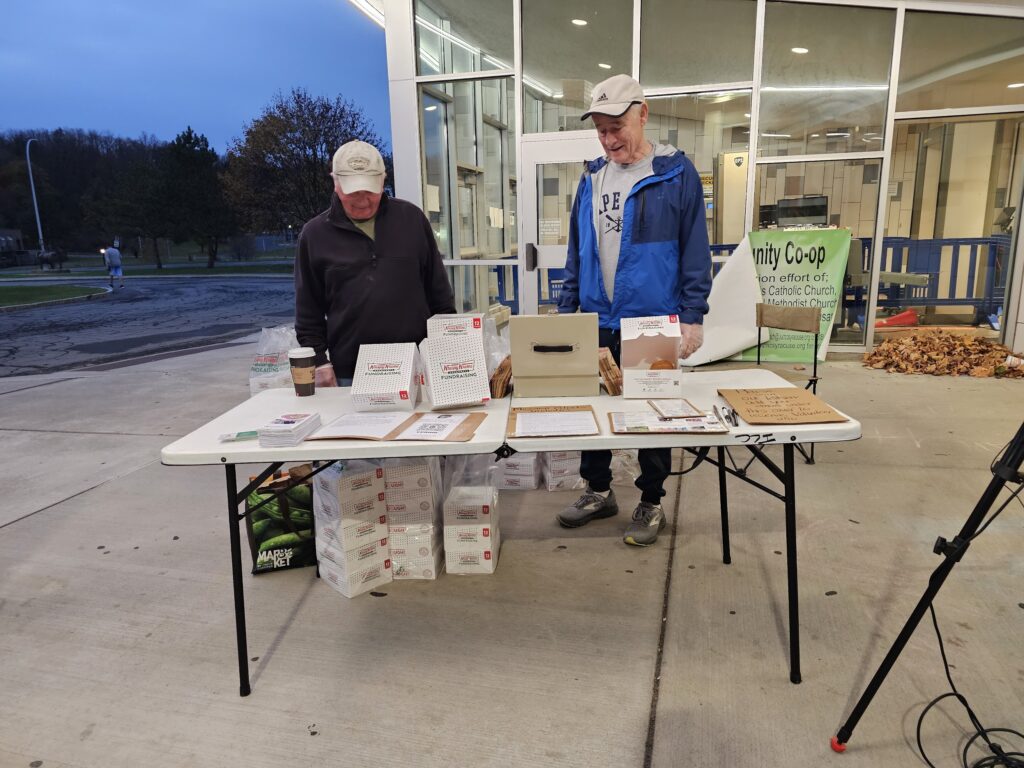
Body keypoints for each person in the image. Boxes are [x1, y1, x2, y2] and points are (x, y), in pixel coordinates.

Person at [556, 74, 712, 547]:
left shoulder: (675, 173)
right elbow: (577, 248)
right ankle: (598, 490)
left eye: (616, 127)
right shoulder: (591, 176)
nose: (608, 140)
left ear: (643, 114)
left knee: (653, 414)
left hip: (652, 319)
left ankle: (652, 500)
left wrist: (692, 314)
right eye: (600, 130)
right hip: (595, 317)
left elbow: (694, 249)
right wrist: (567, 308)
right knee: (592, 411)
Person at [294, 140, 456, 387]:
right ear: (335, 183)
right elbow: (308, 310)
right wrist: (318, 360)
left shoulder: (411, 220)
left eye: (370, 191)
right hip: (350, 372)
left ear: (383, 180)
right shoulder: (314, 235)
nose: (362, 201)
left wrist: (448, 350)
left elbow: (439, 294)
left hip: (417, 365)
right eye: (352, 192)